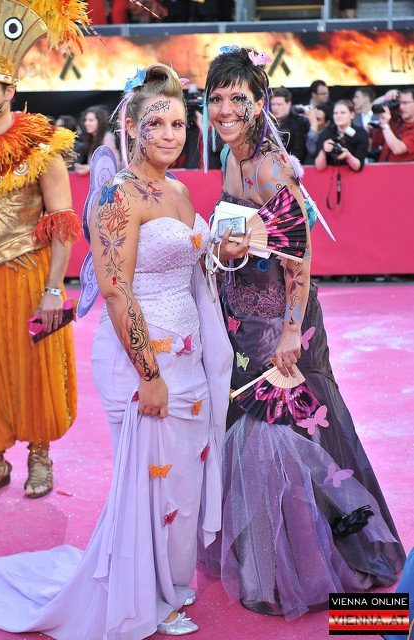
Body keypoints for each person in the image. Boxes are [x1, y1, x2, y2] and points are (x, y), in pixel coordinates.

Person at [0, 63, 232, 639]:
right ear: (133, 127)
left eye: (179, 123)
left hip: (190, 358)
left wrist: (224, 247)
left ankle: (168, 584)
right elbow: (117, 292)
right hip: (141, 360)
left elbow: (191, 269)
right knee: (151, 483)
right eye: (158, 123)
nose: (170, 134)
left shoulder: (178, 190)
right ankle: (144, 593)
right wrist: (150, 374)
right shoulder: (117, 196)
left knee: (182, 482)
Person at [202, 45, 405, 619]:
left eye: (238, 98)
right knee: (259, 436)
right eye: (216, 98)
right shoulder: (229, 156)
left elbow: (300, 254)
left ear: (260, 102)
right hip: (243, 319)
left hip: (281, 322)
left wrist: (291, 330)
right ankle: (284, 557)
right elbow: (242, 235)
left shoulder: (272, 167)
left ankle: (331, 569)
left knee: (287, 432)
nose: (225, 109)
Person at [0, 0, 86, 500]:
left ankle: (40, 455)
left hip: (30, 275)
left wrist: (54, 290)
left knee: (35, 368)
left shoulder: (41, 146)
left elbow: (63, 226)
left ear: (10, 90)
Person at [315, 99, 369, 171]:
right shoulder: (326, 133)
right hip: (330, 175)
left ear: (352, 115)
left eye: (342, 113)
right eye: (335, 113)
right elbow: (319, 167)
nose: (338, 116)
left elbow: (358, 167)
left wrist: (348, 156)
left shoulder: (360, 133)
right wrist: (323, 150)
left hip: (353, 175)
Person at [371, 87, 414, 162]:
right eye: (399, 103)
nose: (401, 107)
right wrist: (386, 97)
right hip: (383, 166)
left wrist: (385, 125)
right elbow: (375, 106)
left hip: (402, 169)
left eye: (405, 103)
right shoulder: (399, 120)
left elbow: (398, 149)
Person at [74, 105, 119, 175]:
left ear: (100, 122)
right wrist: (84, 167)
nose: (86, 123)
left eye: (91, 120)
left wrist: (89, 168)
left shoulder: (107, 138)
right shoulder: (91, 138)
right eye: (86, 120)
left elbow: (113, 163)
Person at [271, 87, 307, 163]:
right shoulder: (267, 122)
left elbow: (298, 153)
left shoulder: (297, 123)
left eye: (279, 104)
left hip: (289, 164)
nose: (275, 108)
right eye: (273, 104)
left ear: (289, 104)